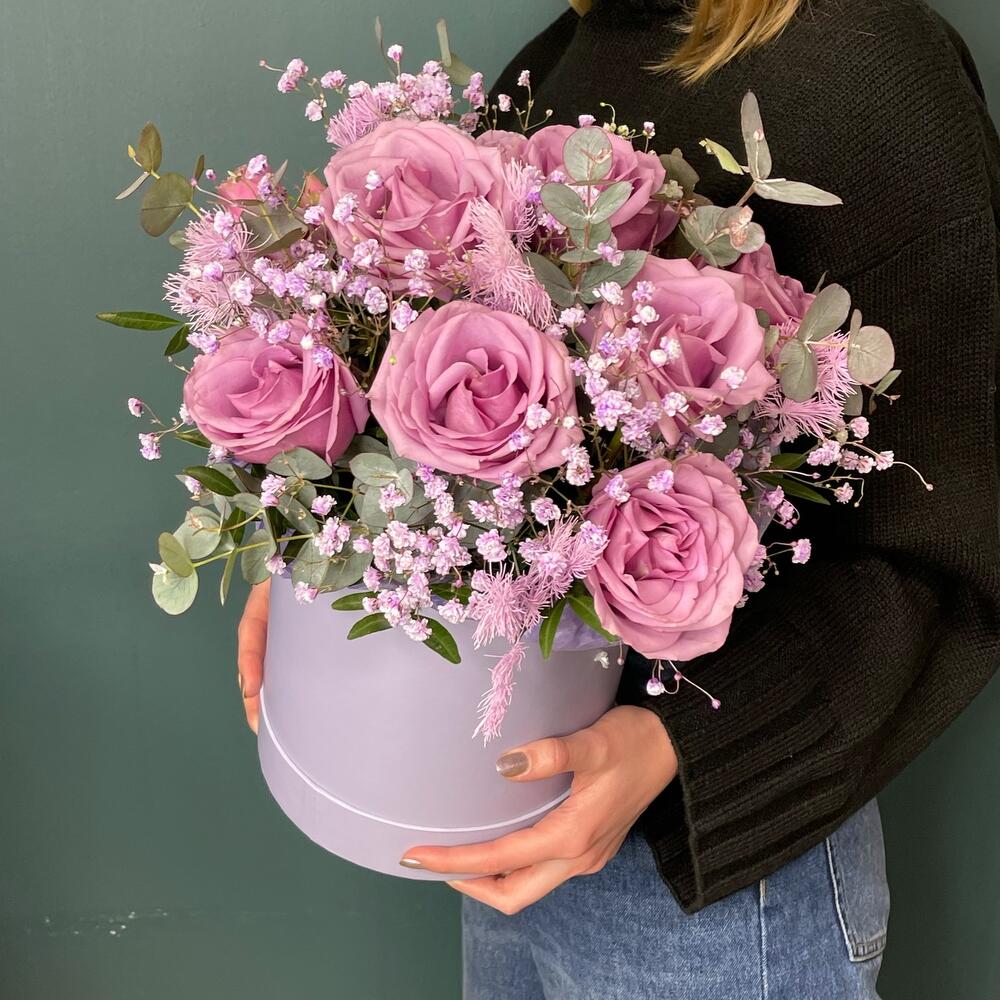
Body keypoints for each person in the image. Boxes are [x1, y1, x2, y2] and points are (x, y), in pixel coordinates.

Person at [237, 0, 1000, 995]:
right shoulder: (563, 55)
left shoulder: (866, 64)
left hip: (723, 884)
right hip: (513, 834)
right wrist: (325, 551)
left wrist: (678, 744)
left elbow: (954, 546)